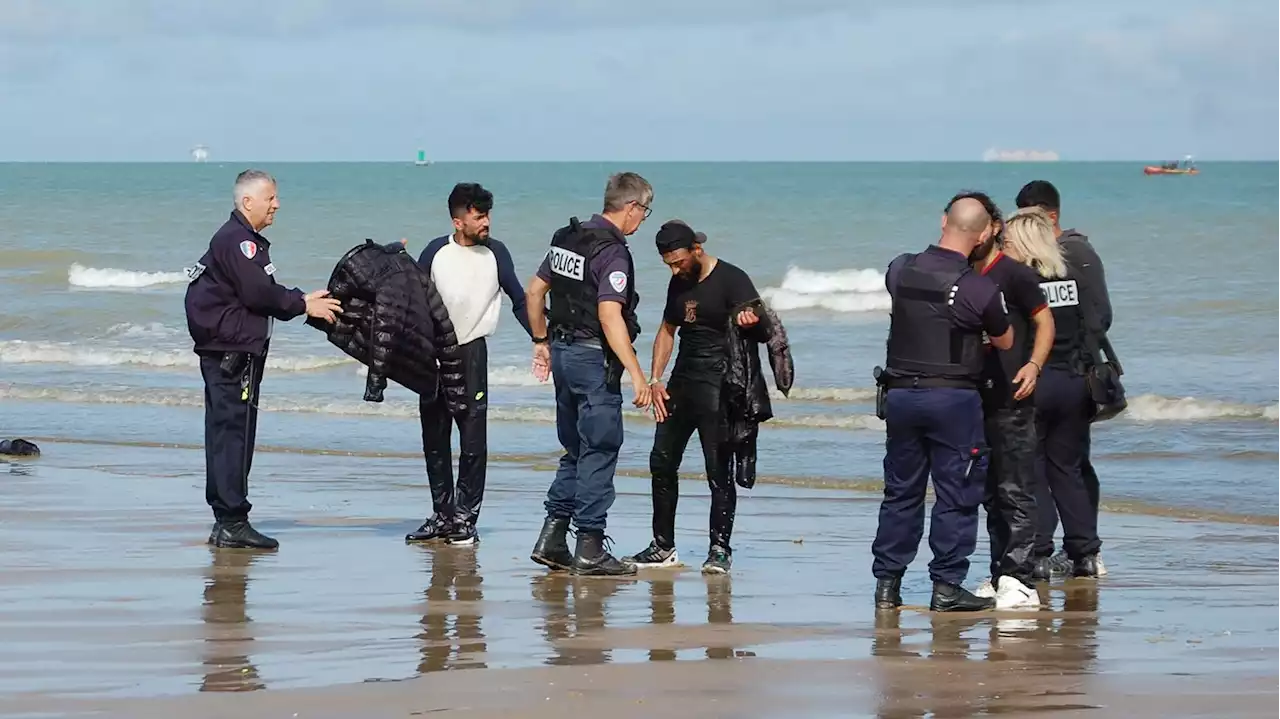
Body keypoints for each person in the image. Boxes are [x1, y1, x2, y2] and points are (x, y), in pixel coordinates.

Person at [184, 170, 342, 550]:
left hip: (229, 351)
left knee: (227, 433)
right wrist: (304, 304)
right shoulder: (239, 241)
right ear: (247, 202)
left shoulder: (239, 239)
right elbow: (258, 293)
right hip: (232, 354)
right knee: (233, 435)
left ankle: (226, 519)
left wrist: (302, 298)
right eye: (270, 198)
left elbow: (262, 291)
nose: (277, 204)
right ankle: (232, 521)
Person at [871, 192, 1013, 613]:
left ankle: (887, 585)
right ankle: (947, 587)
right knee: (957, 493)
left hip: (900, 396)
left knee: (901, 492)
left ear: (942, 221)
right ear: (986, 233)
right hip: (952, 398)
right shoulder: (978, 287)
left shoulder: (901, 268)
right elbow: (1005, 340)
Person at [524, 172, 654, 576]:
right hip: (593, 360)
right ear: (631, 207)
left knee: (576, 451)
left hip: (562, 353)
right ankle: (591, 548)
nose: (642, 221)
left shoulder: (568, 238)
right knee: (599, 448)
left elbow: (533, 291)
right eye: (644, 212)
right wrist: (636, 372)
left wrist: (541, 341)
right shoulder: (612, 252)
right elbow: (609, 315)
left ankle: (551, 539)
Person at [623, 220, 767, 575]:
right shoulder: (679, 283)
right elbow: (667, 330)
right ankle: (663, 547)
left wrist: (751, 322)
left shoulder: (733, 279)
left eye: (679, 261)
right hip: (682, 383)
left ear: (697, 250)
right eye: (668, 264)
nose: (675, 269)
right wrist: (656, 378)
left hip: (721, 386)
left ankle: (719, 549)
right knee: (661, 461)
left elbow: (767, 330)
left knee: (718, 471)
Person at [406, 183, 533, 546]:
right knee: (435, 437)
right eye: (479, 217)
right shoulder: (435, 251)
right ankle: (442, 514)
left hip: (472, 352)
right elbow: (410, 300)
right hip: (433, 355)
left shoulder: (497, 254)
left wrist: (542, 340)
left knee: (473, 440)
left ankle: (466, 517)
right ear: (458, 221)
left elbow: (519, 300)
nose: (487, 223)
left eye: (488, 215)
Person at [1015, 182, 1110, 579]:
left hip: (1037, 381)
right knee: (1069, 468)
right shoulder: (1070, 275)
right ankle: (1085, 554)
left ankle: (1038, 553)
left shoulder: (1022, 279)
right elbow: (1098, 319)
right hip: (1075, 379)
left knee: (1034, 469)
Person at [969, 208, 1057, 609]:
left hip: (1014, 396)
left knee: (1016, 491)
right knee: (989, 493)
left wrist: (1034, 365)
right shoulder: (960, 273)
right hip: (973, 398)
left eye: (980, 227)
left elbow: (1045, 322)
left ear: (994, 229)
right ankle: (998, 573)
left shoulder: (1016, 274)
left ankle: (1020, 578)